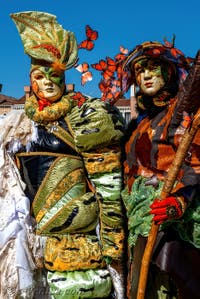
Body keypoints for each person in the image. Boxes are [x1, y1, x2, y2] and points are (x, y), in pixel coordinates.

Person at [0, 11, 126, 299]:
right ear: (29, 79)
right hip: (30, 245)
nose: (47, 83)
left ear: (64, 77)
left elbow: (108, 190)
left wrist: (113, 247)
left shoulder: (85, 120)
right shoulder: (16, 128)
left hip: (77, 251)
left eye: (54, 75)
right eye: (38, 76)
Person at [121, 41, 200, 298]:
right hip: (136, 216)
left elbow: (194, 160)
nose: (145, 74)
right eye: (140, 70)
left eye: (154, 68)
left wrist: (180, 199)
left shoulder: (181, 112)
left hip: (170, 216)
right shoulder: (138, 122)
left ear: (168, 72)